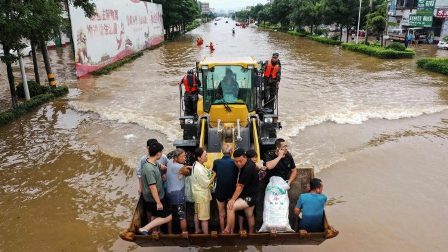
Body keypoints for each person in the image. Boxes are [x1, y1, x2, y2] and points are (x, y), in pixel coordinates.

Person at [138, 142, 173, 235]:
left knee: (155, 215)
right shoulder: (149, 169)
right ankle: (145, 228)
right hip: (154, 198)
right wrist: (158, 202)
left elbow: (163, 167)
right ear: (158, 153)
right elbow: (152, 187)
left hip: (155, 196)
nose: (161, 154)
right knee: (168, 217)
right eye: (161, 152)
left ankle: (154, 231)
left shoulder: (154, 163)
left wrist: (171, 167)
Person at [223, 148, 259, 234]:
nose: (238, 163)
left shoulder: (247, 169)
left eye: (240, 161)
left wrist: (232, 200)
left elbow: (239, 187)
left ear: (245, 157)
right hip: (253, 193)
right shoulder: (249, 162)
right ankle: (251, 233)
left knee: (230, 206)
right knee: (249, 215)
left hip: (249, 196)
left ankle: (228, 229)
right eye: (236, 161)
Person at [212, 143, 238, 233]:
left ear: (222, 152)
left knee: (221, 214)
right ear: (231, 151)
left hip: (220, 191)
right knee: (231, 212)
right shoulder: (235, 162)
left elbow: (214, 175)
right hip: (231, 191)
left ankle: (223, 231)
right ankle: (231, 232)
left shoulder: (216, 162)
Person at [191, 147, 216, 234]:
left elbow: (205, 173)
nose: (207, 157)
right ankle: (205, 235)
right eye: (205, 155)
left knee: (197, 214)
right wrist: (214, 175)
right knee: (204, 218)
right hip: (202, 196)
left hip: (197, 194)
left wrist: (211, 168)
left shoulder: (196, 164)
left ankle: (197, 229)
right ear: (199, 157)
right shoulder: (199, 169)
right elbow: (206, 184)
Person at [166, 148, 190, 234]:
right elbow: (188, 172)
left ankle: (169, 233)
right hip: (179, 196)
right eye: (182, 156)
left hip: (169, 195)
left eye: (185, 156)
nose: (185, 158)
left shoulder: (169, 162)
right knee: (182, 216)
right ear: (176, 158)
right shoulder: (180, 167)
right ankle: (184, 232)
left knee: (169, 216)